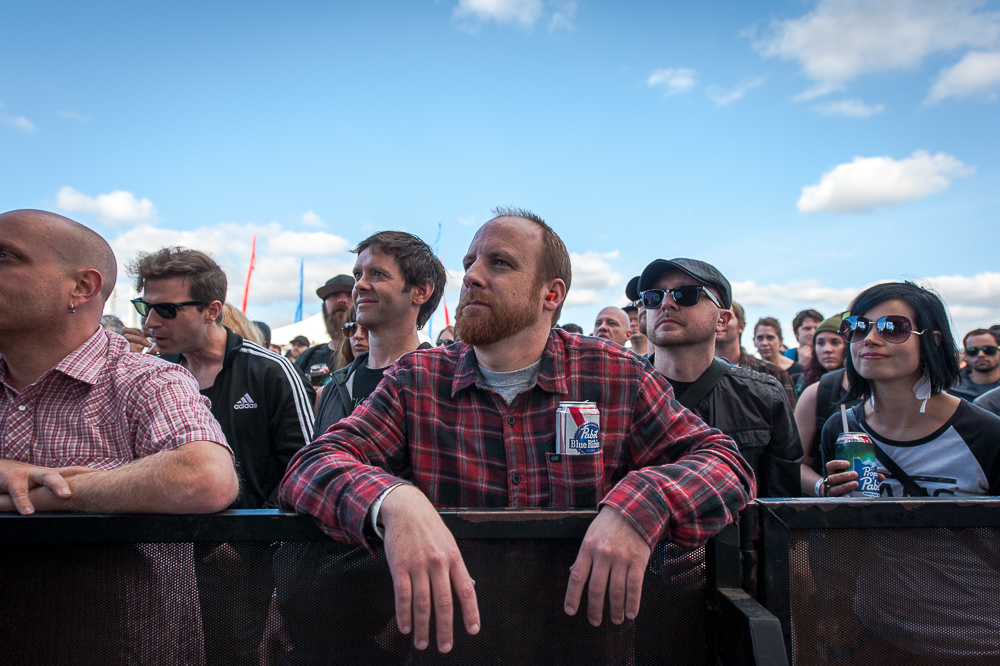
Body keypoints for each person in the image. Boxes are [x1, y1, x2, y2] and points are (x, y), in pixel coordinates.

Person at [280, 207, 754, 655]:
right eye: (469, 263)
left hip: (584, 652)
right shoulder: (417, 380)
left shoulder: (614, 375)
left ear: (551, 294)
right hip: (450, 652)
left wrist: (642, 503)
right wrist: (395, 502)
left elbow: (724, 463)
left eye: (499, 263)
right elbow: (312, 464)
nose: (470, 276)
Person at [0, 210, 237, 665]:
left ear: (82, 287)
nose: (152, 320)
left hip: (119, 645)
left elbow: (206, 476)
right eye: (148, 308)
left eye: (5, 256)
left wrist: (39, 497)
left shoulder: (148, 381)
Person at [129, 246, 315, 666]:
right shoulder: (153, 374)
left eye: (167, 309)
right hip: (166, 561)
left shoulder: (268, 371)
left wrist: (248, 540)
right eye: (144, 306)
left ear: (212, 309)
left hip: (246, 566)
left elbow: (305, 466)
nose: (150, 321)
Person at [817, 282, 1000, 662]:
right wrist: (825, 498)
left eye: (892, 327)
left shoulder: (985, 434)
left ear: (931, 341)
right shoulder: (841, 429)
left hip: (980, 637)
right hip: (878, 632)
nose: (870, 338)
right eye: (858, 326)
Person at [640, 258, 802, 497]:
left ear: (722, 320)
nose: (666, 304)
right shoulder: (618, 391)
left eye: (686, 294)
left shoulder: (764, 397)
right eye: (654, 296)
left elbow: (783, 508)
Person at [313, 231, 444, 438]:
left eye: (377, 274)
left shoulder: (444, 386)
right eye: (358, 275)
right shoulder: (332, 392)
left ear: (421, 291)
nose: (360, 285)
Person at [792, 314, 858, 496]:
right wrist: (824, 487)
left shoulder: (874, 387)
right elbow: (794, 461)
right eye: (820, 343)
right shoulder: (810, 389)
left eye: (835, 342)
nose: (827, 349)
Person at [715, 301, 797, 408]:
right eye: (715, 315)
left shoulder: (774, 374)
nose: (720, 320)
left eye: (726, 316)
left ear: (741, 326)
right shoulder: (692, 374)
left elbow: (788, 422)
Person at [295, 275, 354, 374]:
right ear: (324, 305)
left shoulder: (374, 357)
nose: (342, 300)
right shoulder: (306, 358)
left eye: (350, 295)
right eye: (334, 295)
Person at [948, 329, 1000, 402]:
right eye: (972, 350)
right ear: (965, 355)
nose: (981, 355)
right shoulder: (950, 390)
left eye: (989, 349)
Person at [753, 317, 803, 384]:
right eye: (760, 338)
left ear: (780, 341)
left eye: (770, 337)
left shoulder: (799, 370)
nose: (764, 343)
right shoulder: (751, 371)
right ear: (754, 342)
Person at [623, 276, 648, 357]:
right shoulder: (622, 357)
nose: (633, 324)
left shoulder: (662, 357)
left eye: (637, 319)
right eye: (629, 320)